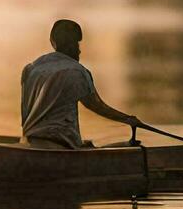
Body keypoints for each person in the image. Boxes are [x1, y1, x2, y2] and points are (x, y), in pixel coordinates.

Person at [20, 19, 139, 148]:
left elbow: (25, 115)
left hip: (29, 141)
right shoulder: (77, 71)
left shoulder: (31, 68)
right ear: (73, 45)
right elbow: (97, 106)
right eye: (77, 44)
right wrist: (128, 119)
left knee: (88, 145)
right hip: (61, 143)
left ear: (52, 42)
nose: (79, 51)